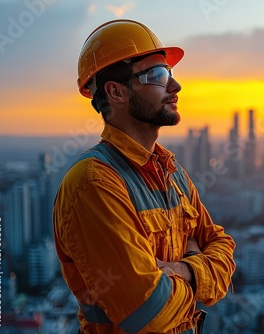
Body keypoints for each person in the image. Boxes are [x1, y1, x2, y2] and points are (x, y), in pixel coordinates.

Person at [53, 19, 236, 334]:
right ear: (116, 92)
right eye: (158, 76)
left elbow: (224, 249)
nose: (174, 87)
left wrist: (184, 270)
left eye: (171, 74)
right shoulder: (94, 184)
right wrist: (199, 265)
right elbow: (148, 312)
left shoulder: (172, 174)